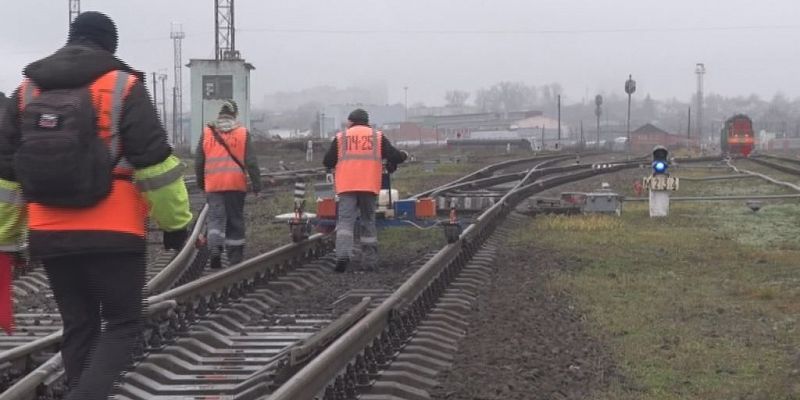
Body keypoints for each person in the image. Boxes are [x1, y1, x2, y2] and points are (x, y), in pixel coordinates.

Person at [0, 12, 192, 400]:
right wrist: (175, 224)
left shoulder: (27, 91)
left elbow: (7, 175)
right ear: (110, 45)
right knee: (122, 322)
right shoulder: (122, 85)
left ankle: (80, 389)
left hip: (50, 232)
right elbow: (155, 164)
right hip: (115, 229)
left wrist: (7, 238)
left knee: (78, 324)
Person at [323, 109, 408, 272]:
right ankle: (369, 261)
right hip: (368, 186)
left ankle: (343, 255)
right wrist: (403, 155)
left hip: (347, 187)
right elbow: (394, 156)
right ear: (367, 121)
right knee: (368, 221)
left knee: (345, 222)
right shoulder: (377, 136)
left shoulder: (342, 137)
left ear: (351, 121)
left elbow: (327, 161)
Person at [195, 100, 262, 269]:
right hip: (235, 185)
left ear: (220, 114)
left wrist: (202, 184)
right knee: (235, 221)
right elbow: (251, 162)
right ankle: (235, 260)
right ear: (235, 115)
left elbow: (198, 162)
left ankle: (215, 248)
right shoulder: (242, 133)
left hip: (214, 186)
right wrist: (257, 185)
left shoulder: (207, 132)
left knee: (215, 220)